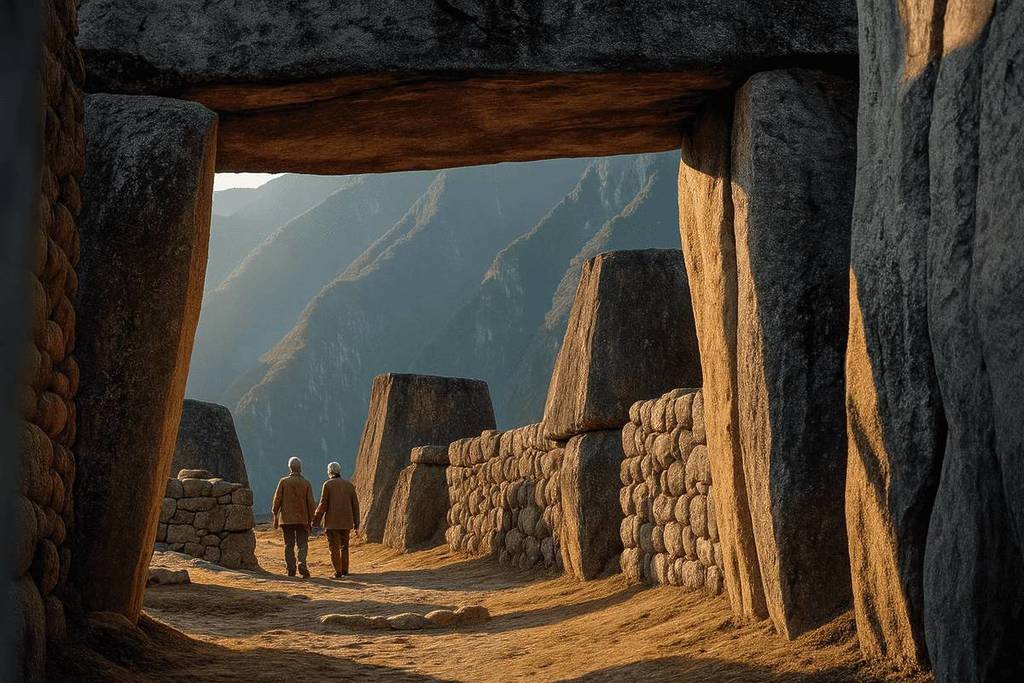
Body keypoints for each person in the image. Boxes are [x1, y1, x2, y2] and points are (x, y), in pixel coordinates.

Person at [312, 461, 360, 578]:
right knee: (344, 546)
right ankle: (345, 570)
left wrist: (316, 521)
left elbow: (323, 504)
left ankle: (337, 572)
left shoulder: (327, 485)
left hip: (332, 523)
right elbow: (355, 505)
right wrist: (356, 523)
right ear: (339, 471)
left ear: (330, 472)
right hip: (346, 522)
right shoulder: (349, 486)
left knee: (333, 547)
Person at [271, 456, 315, 578]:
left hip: (286, 519)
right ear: (300, 468)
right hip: (302, 518)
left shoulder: (283, 482)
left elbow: (277, 500)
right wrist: (312, 519)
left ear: (289, 468)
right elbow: (311, 503)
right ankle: (302, 563)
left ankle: (291, 568)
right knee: (302, 544)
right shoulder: (306, 483)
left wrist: (275, 515)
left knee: (288, 545)